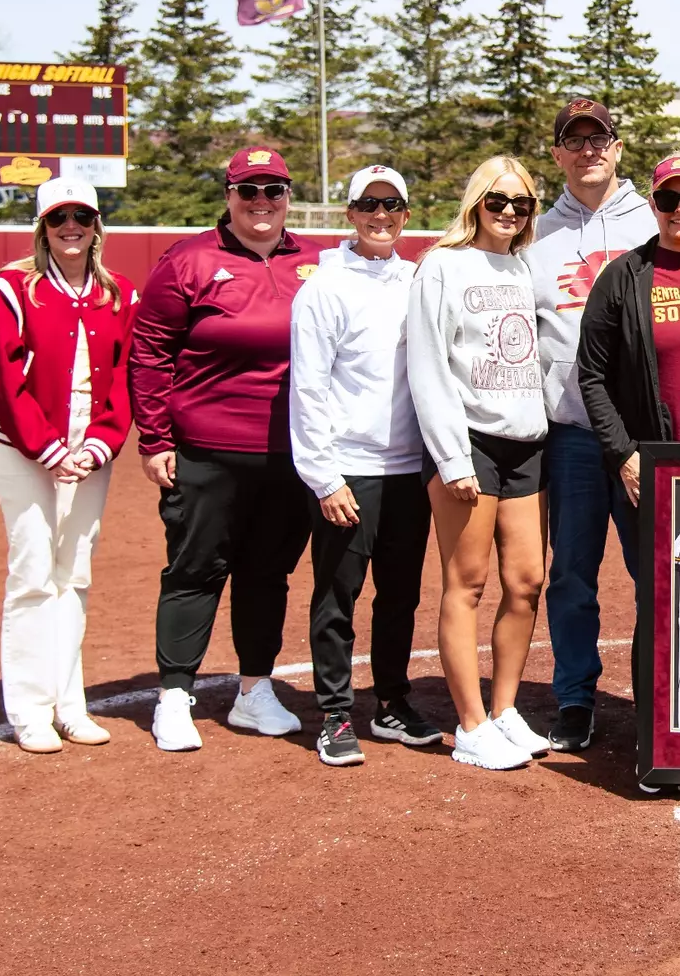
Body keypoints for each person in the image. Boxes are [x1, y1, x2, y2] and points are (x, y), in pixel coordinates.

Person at [130, 147, 318, 752]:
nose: (261, 203)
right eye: (248, 191)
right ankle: (174, 696)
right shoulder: (188, 261)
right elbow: (150, 351)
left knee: (268, 574)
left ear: (289, 195)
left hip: (289, 452)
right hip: (206, 448)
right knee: (195, 569)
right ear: (228, 195)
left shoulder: (316, 262)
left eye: (273, 191)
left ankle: (253, 690)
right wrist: (155, 438)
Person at [291, 166, 441, 767]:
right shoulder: (324, 287)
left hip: (410, 469)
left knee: (400, 595)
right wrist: (325, 477)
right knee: (337, 595)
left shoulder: (419, 279)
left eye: (393, 205)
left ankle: (391, 702)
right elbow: (309, 390)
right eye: (369, 205)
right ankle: (332, 712)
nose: (382, 216)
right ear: (350, 213)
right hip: (348, 470)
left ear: (406, 213)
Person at [0, 179, 136, 753]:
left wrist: (97, 445)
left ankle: (69, 703)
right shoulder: (11, 288)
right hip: (27, 450)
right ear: (42, 226)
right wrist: (49, 449)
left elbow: (122, 378)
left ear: (97, 224)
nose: (71, 226)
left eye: (82, 215)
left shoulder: (117, 292)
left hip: (88, 450)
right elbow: (2, 377)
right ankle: (29, 709)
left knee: (74, 575)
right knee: (32, 574)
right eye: (58, 217)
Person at [407, 156, 550, 771]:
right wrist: (450, 455)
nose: (510, 211)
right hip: (468, 444)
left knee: (527, 583)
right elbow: (428, 363)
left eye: (521, 202)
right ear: (476, 203)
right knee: (465, 584)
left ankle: (504, 710)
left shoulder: (523, 265)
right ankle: (469, 726)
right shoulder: (442, 265)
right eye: (498, 200)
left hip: (527, 441)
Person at [527, 98, 656, 752]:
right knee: (572, 573)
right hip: (573, 434)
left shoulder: (652, 219)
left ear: (618, 146)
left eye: (598, 138)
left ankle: (659, 698)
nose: (587, 151)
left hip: (642, 437)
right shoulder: (538, 232)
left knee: (655, 570)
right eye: (573, 141)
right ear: (557, 154)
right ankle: (575, 697)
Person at [578, 149, 680, 508]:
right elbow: (592, 375)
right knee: (655, 565)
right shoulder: (622, 275)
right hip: (652, 462)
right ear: (653, 205)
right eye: (668, 198)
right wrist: (624, 454)